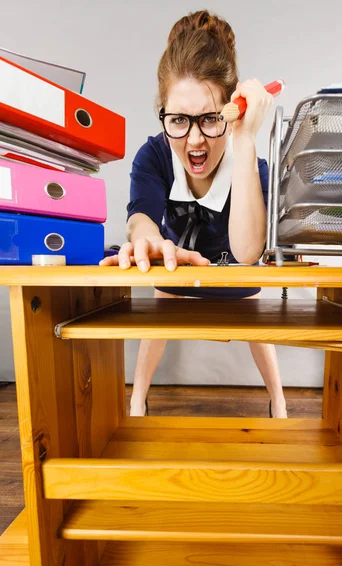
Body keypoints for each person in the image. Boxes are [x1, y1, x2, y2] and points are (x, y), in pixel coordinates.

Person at [100, 9, 288, 419]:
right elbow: (141, 216)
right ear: (163, 114)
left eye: (209, 119)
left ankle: (279, 399)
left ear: (231, 110)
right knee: (160, 306)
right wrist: (145, 237)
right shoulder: (153, 155)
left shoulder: (247, 160)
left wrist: (246, 139)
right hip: (179, 267)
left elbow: (246, 251)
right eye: (180, 121)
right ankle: (137, 401)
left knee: (257, 320)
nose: (196, 140)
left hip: (233, 268)